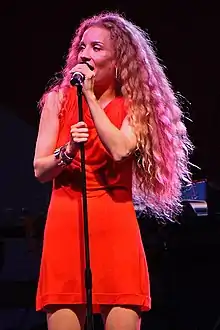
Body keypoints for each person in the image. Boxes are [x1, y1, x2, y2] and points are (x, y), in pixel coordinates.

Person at [33, 11, 192, 330]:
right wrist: (68, 151)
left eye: (96, 48)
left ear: (118, 59)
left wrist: (89, 97)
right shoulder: (56, 101)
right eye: (82, 47)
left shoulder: (136, 105)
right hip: (67, 222)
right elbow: (40, 169)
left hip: (115, 224)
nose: (85, 54)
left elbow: (120, 148)